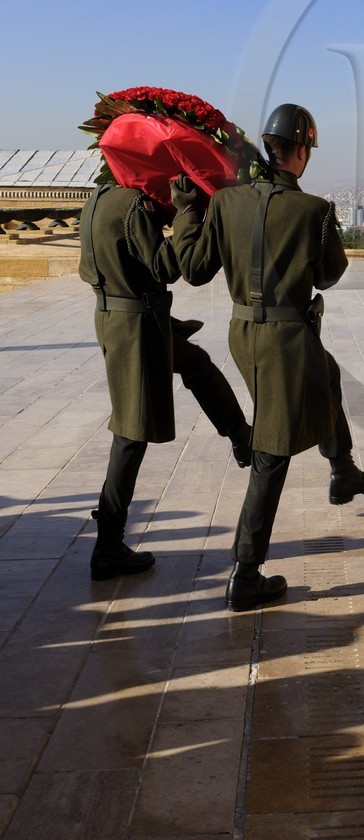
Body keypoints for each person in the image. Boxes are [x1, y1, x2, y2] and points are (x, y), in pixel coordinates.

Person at [170, 103, 364, 610]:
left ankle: (343, 469)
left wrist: (185, 211)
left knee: (327, 372)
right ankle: (246, 573)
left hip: (244, 332)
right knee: (272, 451)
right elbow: (328, 276)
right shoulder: (314, 210)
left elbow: (195, 270)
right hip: (285, 339)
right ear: (302, 151)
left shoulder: (226, 202)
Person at [79, 181, 253, 581]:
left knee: (196, 364)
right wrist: (186, 211)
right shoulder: (132, 205)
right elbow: (167, 268)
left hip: (121, 318)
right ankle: (108, 546)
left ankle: (241, 435)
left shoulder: (99, 198)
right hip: (135, 329)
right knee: (131, 434)